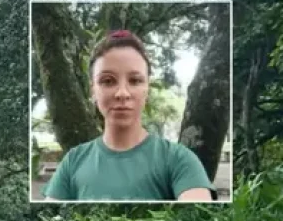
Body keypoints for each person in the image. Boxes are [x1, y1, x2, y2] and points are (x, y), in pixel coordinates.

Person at [43, 30, 215, 202]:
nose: (122, 93)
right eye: (108, 81)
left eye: (134, 81)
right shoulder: (73, 161)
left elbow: (196, 216)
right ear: (93, 90)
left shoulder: (179, 160)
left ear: (148, 89)